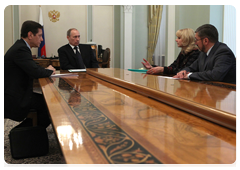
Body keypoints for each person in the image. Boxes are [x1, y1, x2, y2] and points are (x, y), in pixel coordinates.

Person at [4, 20, 56, 128]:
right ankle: (25, 135)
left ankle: (29, 133)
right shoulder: (21, 49)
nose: (42, 39)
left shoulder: (21, 46)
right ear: (30, 35)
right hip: (14, 98)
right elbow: (35, 71)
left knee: (45, 102)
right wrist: (50, 71)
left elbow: (32, 67)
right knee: (49, 106)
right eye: (40, 36)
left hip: (16, 93)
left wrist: (45, 69)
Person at [173, 24, 238, 84]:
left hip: (226, 92)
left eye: (196, 40)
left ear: (206, 41)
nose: (195, 43)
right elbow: (191, 68)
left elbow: (215, 75)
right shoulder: (203, 52)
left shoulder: (223, 52)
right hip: (209, 89)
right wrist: (183, 71)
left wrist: (189, 75)